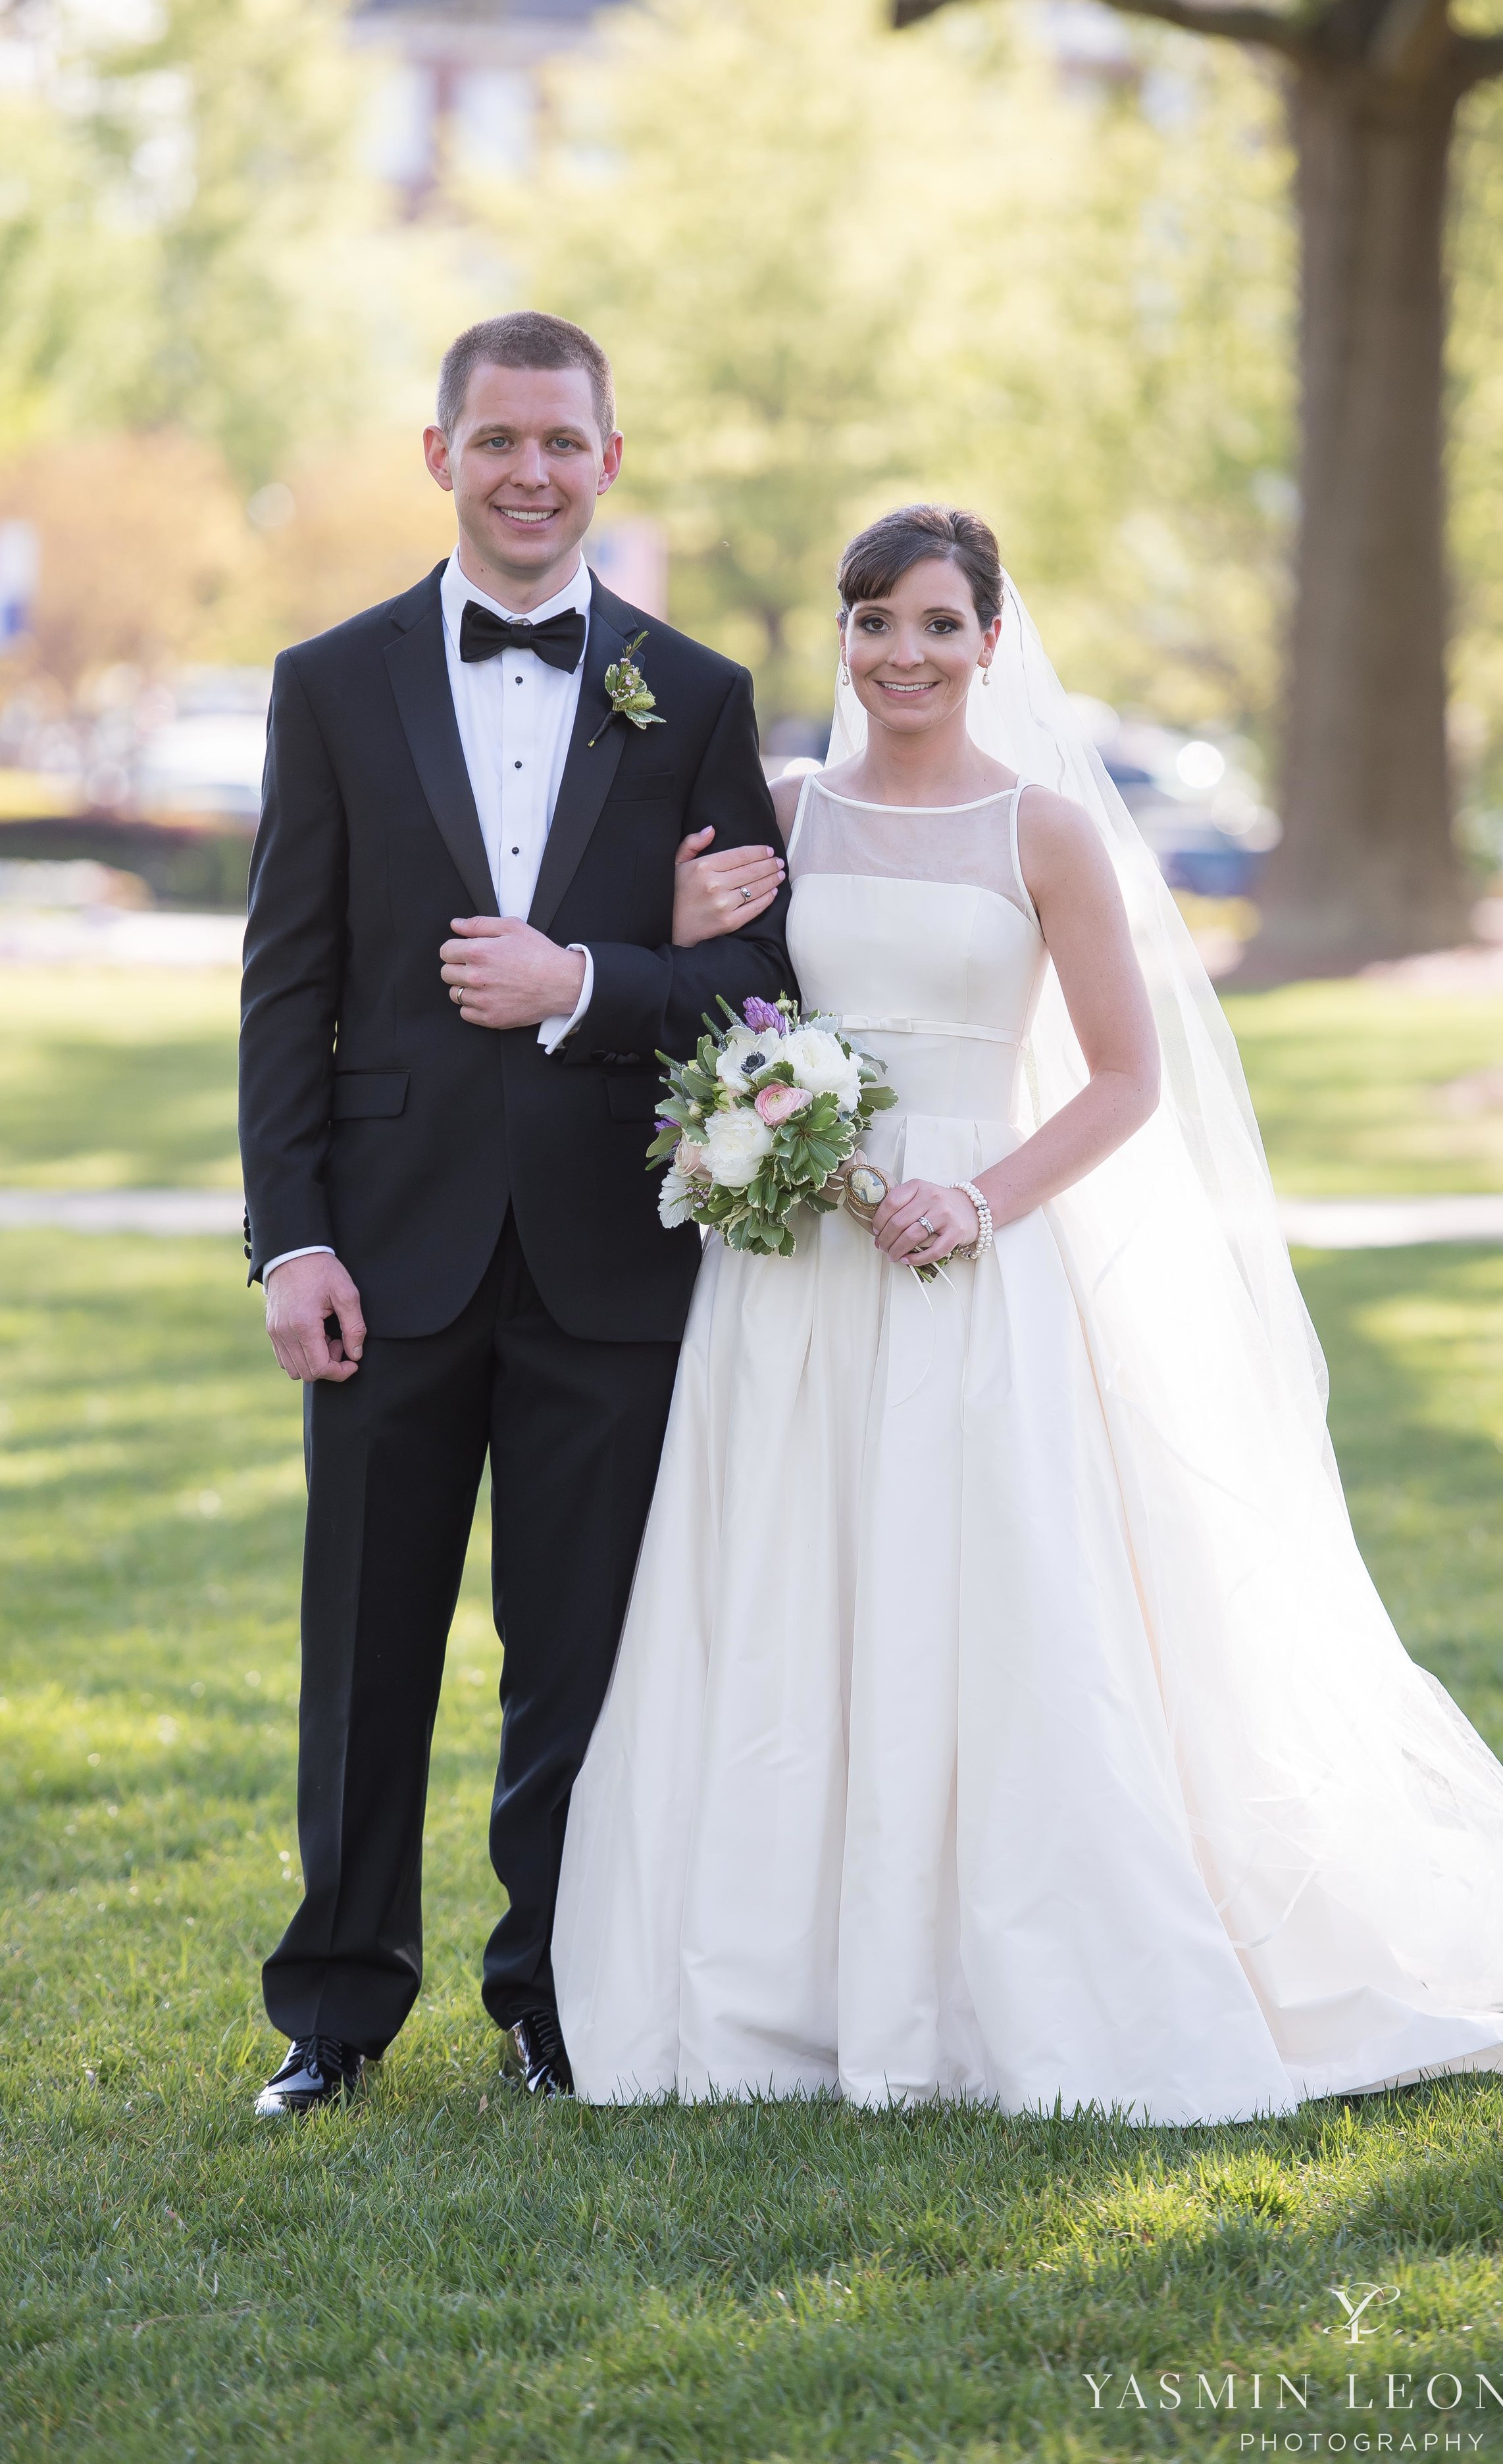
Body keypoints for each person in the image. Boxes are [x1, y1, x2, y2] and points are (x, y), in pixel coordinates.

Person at [551, 503, 1503, 2123]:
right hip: (800, 1264)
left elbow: (1126, 1079)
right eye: (872, 622)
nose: (901, 654)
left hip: (982, 1252)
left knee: (991, 1595)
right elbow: (725, 1005)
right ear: (841, 639)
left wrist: (974, 1198)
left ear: (991, 639)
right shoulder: (784, 812)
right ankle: (781, 1987)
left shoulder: (1042, 831)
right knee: (790, 1578)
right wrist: (743, 1044)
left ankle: (1005, 1969)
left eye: (935, 624)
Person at [238, 311, 792, 2117]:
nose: (531, 472)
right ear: (440, 455)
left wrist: (582, 980)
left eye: (563, 441)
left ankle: (555, 1999)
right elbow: (285, 982)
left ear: (611, 461)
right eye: (497, 441)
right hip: (382, 1253)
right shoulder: (329, 680)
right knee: (363, 1645)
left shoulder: (695, 695)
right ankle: (332, 2013)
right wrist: (289, 1237)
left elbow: (759, 982)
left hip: (609, 1252)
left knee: (577, 1658)